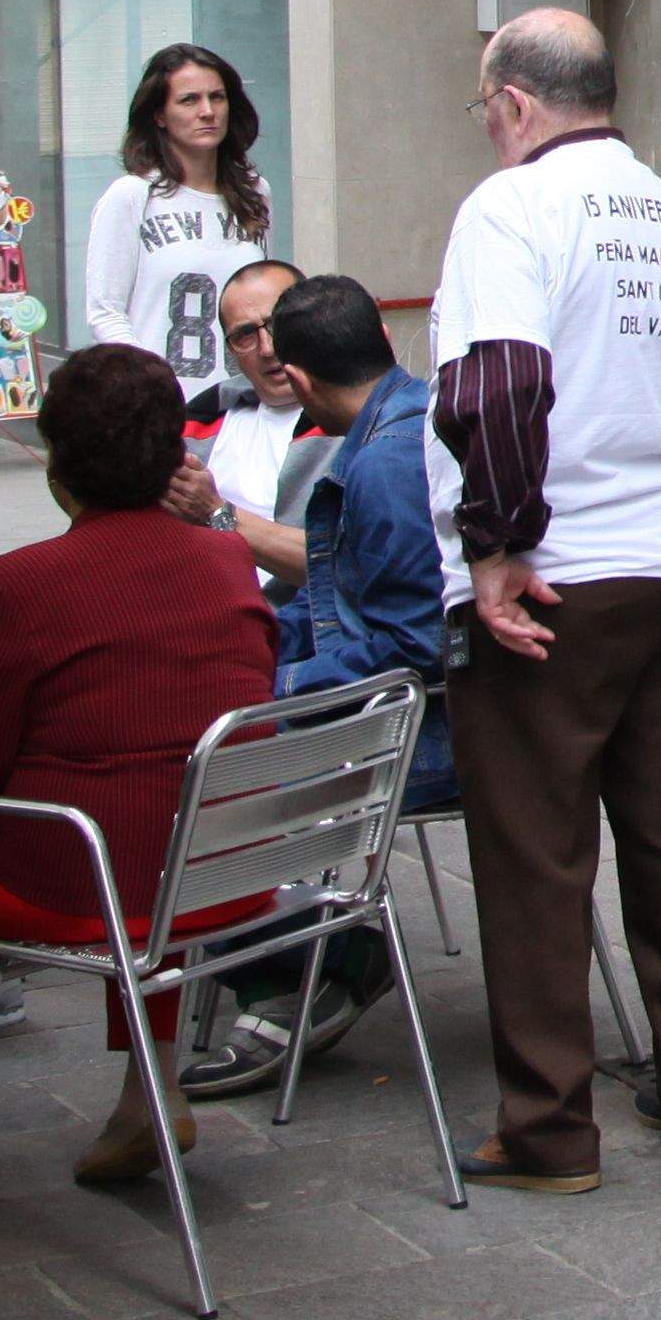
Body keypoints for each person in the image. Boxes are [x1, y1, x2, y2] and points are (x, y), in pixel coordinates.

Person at [430, 8, 661, 1193]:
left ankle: (549, 1129)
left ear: (514, 103)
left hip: (559, 576)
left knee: (536, 860)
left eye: (485, 109)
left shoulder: (510, 209)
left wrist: (498, 548)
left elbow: (498, 383)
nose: (487, 129)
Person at [0, 346, 276, 1233]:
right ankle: (144, 1097)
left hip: (68, 885)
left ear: (56, 462)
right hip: (222, 873)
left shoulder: (12, 589)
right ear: (173, 459)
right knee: (158, 825)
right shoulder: (228, 564)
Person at [177, 272, 447, 1100]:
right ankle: (303, 958)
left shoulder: (386, 462)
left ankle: (319, 963)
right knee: (189, 736)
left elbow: (413, 646)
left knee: (188, 783)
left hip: (427, 734)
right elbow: (337, 605)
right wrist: (244, 662)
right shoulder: (384, 429)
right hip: (382, 704)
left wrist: (279, 684)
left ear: (296, 376)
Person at [80, 42, 270, 413]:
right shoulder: (132, 196)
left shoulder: (255, 192)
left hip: (242, 402)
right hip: (162, 408)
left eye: (217, 97)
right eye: (189, 100)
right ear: (159, 115)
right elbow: (105, 312)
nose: (207, 111)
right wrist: (148, 389)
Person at [174, 256, 320, 588]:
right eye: (245, 335)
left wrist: (217, 512)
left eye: (278, 324)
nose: (267, 348)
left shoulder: (363, 423)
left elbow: (353, 567)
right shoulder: (199, 422)